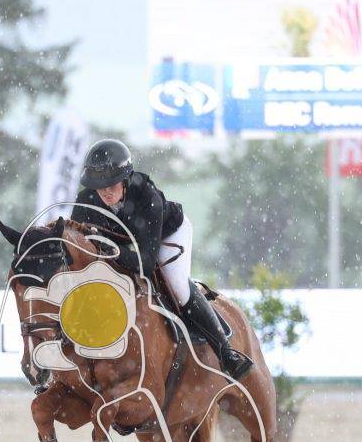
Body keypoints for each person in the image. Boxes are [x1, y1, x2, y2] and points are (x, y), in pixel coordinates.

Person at [70, 138, 254, 381]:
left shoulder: (147, 196)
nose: (105, 191)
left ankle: (226, 352)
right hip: (124, 244)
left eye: (111, 184)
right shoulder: (85, 202)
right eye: (98, 185)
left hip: (166, 235)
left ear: (125, 179)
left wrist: (111, 250)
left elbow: (146, 264)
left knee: (177, 285)